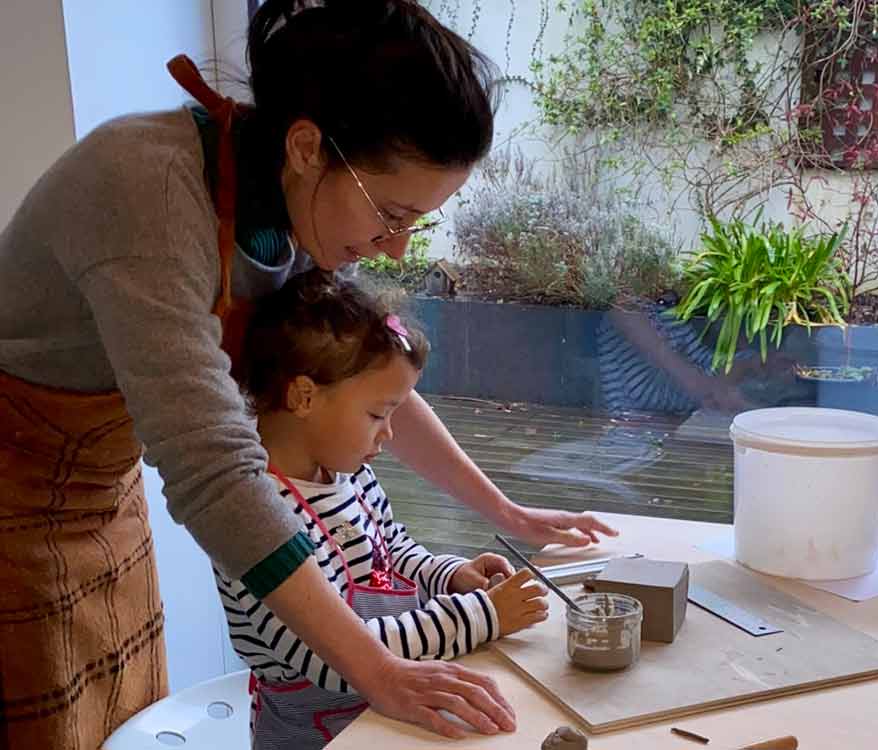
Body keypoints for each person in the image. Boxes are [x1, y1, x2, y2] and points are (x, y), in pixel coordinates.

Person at [0, 1, 614, 747]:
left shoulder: (289, 208)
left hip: (101, 482)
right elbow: (213, 470)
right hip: (13, 489)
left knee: (112, 718)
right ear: (305, 146)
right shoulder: (147, 194)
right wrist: (379, 671)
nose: (394, 248)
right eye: (390, 214)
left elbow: (372, 375)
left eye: (415, 223)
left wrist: (506, 514)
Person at [223, 270, 548, 749]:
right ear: (304, 396)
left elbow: (392, 554)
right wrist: (483, 614)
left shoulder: (349, 475)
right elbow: (337, 657)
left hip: (389, 721)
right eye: (378, 414)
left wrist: (451, 575)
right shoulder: (255, 520)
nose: (389, 434)